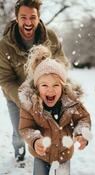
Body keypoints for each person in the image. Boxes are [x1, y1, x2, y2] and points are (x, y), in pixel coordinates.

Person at [18, 45, 91, 175]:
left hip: (63, 151)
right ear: (37, 87)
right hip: (41, 153)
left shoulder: (70, 102)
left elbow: (82, 118)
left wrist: (81, 133)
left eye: (55, 85)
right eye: (44, 85)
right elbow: (26, 128)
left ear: (63, 86)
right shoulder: (31, 105)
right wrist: (35, 140)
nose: (50, 90)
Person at [0, 0, 69, 162]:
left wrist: (53, 73)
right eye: (23, 17)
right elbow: (5, 79)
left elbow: (61, 60)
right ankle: (19, 154)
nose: (28, 22)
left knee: (50, 127)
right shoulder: (4, 46)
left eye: (33, 17)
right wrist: (25, 100)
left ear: (38, 17)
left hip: (47, 92)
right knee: (20, 130)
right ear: (16, 18)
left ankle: (48, 154)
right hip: (16, 96)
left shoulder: (50, 36)